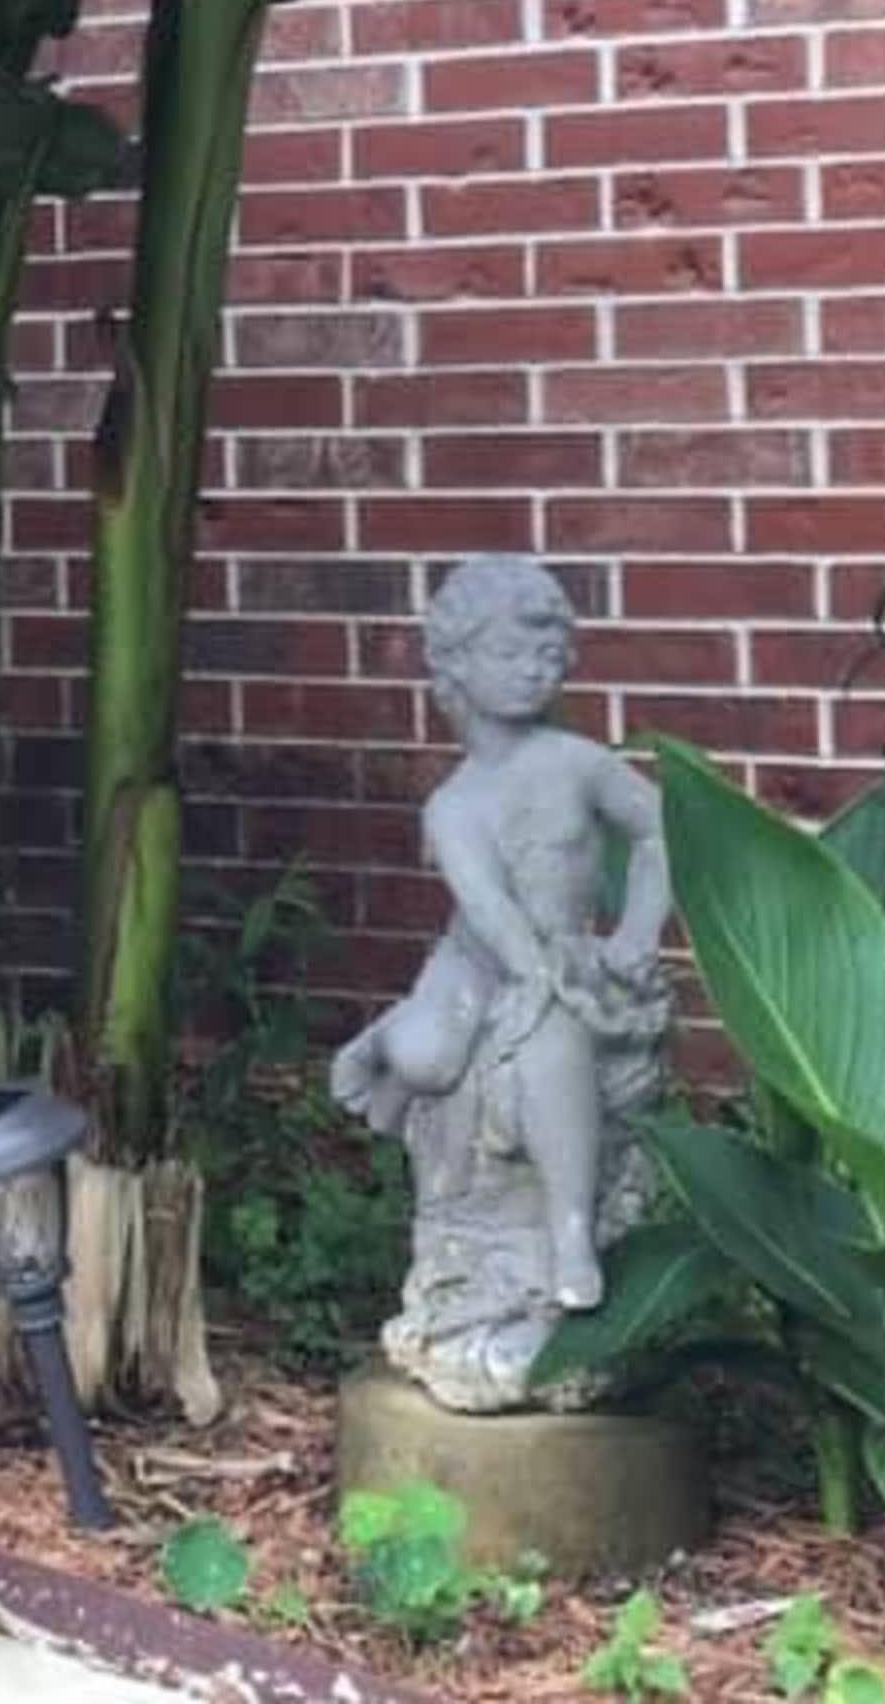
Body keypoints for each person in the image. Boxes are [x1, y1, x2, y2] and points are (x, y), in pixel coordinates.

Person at [330, 557, 669, 1316]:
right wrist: (535, 973)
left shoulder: (578, 765)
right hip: (477, 960)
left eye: (548, 654)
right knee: (428, 1057)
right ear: (456, 663)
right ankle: (388, 1042)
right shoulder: (453, 806)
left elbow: (661, 834)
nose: (533, 669)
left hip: (566, 948)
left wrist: (637, 932)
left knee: (552, 1048)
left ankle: (570, 1231)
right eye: (510, 652)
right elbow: (489, 911)